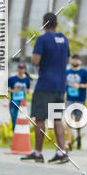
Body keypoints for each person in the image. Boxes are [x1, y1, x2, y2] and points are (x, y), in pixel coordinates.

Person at [21, 12, 70, 164]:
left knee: (40, 118)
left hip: (45, 86)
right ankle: (61, 152)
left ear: (44, 24)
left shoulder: (42, 39)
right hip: (60, 86)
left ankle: (38, 152)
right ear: (56, 24)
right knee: (57, 119)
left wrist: (38, 61)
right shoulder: (64, 39)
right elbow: (67, 59)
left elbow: (36, 61)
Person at [65, 54, 87, 150]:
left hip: (80, 99)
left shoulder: (84, 72)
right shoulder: (67, 72)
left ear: (80, 62)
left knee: (78, 120)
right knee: (68, 119)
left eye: (77, 60)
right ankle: (69, 141)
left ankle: (79, 135)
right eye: (74, 59)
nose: (75, 61)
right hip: (69, 99)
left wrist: (80, 86)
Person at [7, 62, 31, 131]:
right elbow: (7, 89)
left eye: (22, 68)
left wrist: (24, 90)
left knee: (21, 120)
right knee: (14, 120)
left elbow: (28, 91)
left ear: (25, 70)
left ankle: (21, 133)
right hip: (14, 102)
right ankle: (15, 134)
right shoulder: (12, 79)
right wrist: (13, 90)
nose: (21, 70)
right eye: (20, 68)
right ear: (17, 69)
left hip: (22, 103)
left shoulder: (27, 80)